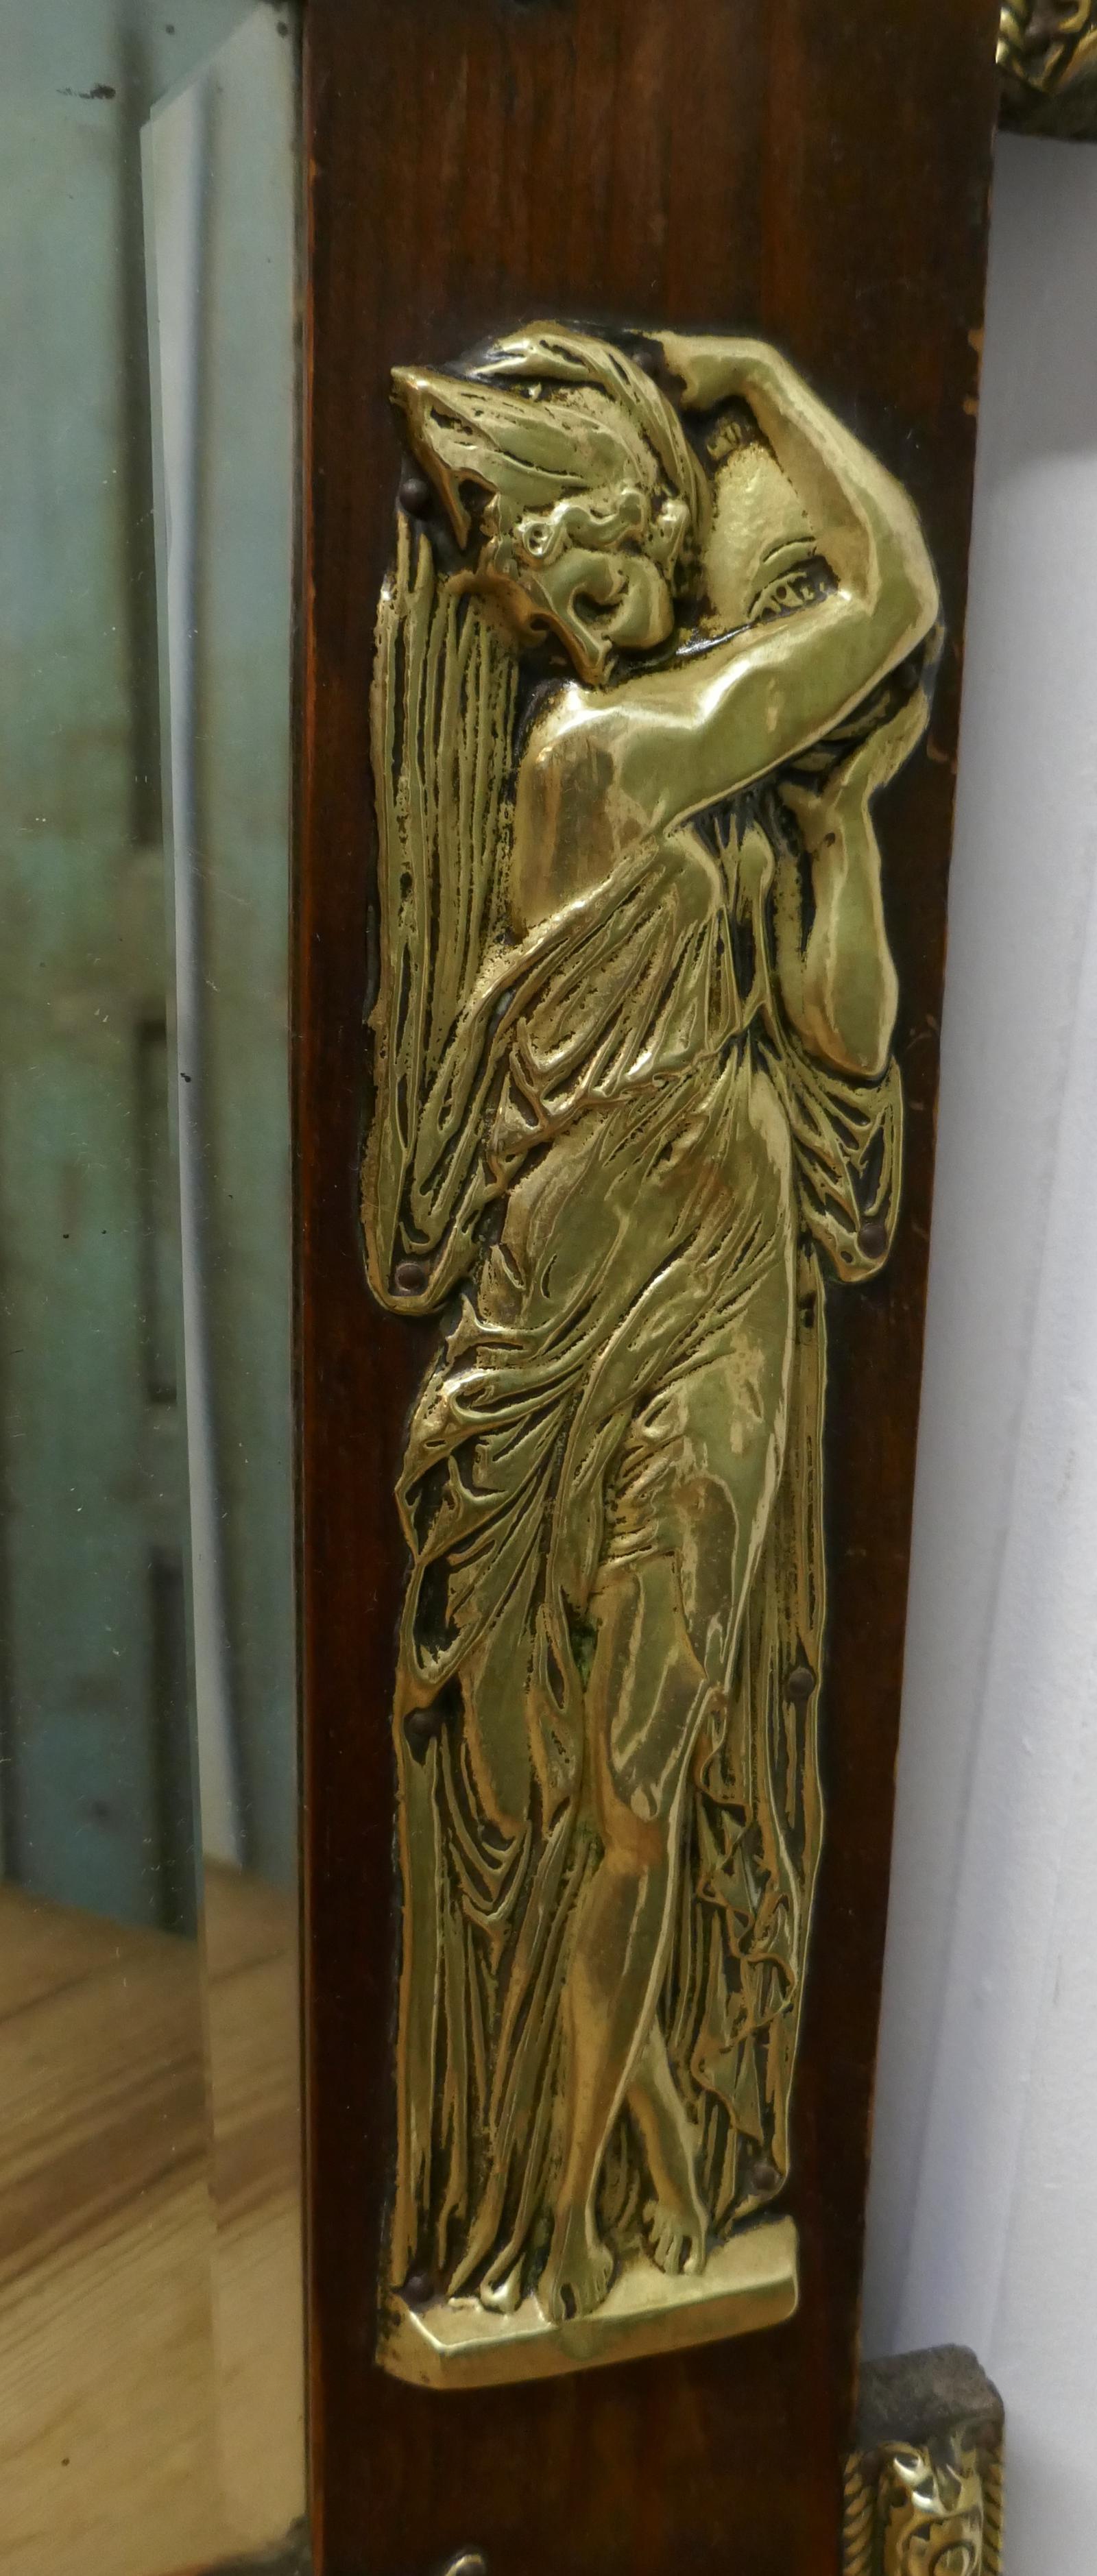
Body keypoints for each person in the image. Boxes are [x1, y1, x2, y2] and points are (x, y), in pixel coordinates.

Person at [363, 324, 939, 2325]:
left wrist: (845, 832)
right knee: (510, 1763)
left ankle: (584, 2232)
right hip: (557, 1307)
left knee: (642, 1780)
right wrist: (765, 372)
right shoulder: (594, 754)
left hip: (720, 1297)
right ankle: (581, 2167)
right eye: (513, 571)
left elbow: (844, 1039)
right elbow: (891, 600)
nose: (544, 596)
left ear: (641, 508)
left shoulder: (735, 799)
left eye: (565, 540)